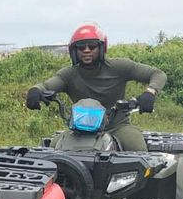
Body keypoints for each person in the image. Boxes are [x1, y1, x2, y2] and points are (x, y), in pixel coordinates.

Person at [25, 23, 167, 152]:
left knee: (138, 150)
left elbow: (157, 74)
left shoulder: (120, 67)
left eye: (91, 46)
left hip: (116, 127)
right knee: (53, 150)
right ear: (74, 51)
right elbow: (48, 85)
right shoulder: (68, 74)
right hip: (79, 129)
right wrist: (35, 91)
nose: (86, 50)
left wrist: (150, 92)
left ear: (101, 48)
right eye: (81, 47)